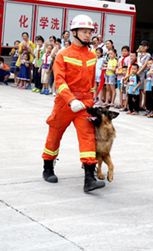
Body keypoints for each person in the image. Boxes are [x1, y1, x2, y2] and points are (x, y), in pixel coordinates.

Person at [41, 14, 105, 193]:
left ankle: (89, 179)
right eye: (84, 31)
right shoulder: (63, 55)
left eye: (89, 31)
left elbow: (92, 82)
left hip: (84, 104)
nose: (87, 35)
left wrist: (91, 102)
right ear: (74, 32)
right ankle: (48, 167)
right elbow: (59, 81)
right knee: (54, 134)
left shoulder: (92, 56)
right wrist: (71, 100)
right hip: (65, 103)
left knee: (88, 137)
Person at [137, 40, 151, 109]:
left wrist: (139, 71)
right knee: (139, 89)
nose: (143, 47)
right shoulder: (139, 54)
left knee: (143, 90)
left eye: (144, 46)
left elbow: (145, 64)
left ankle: (144, 105)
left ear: (147, 47)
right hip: (138, 71)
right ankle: (139, 104)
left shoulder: (148, 55)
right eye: (142, 46)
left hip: (143, 72)